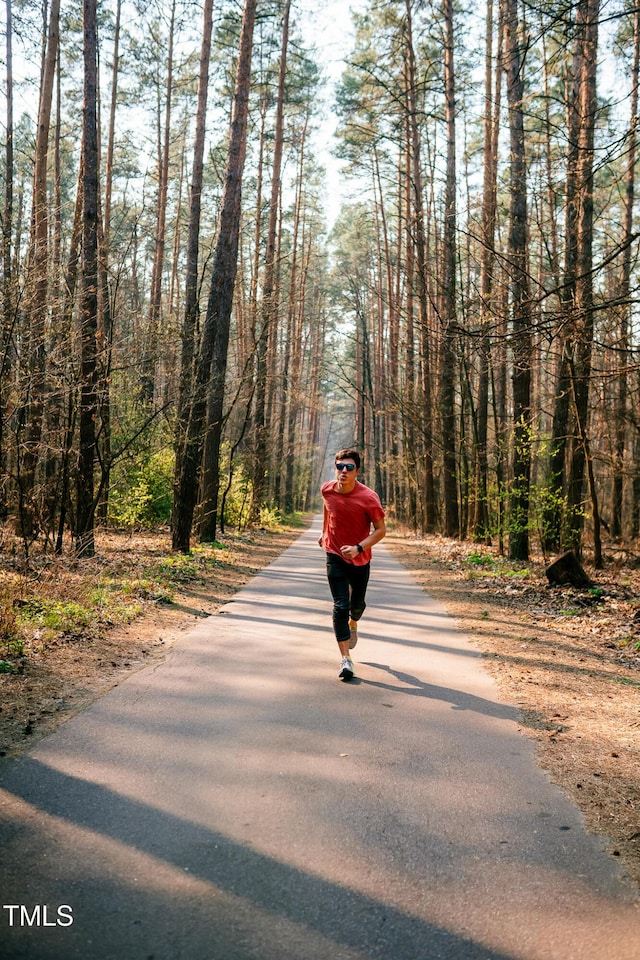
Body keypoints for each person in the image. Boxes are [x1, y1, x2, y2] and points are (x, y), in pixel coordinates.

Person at [318, 449, 386, 680]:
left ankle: (354, 622)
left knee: (356, 605)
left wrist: (358, 547)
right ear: (335, 468)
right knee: (340, 605)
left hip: (360, 558)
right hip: (334, 553)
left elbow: (381, 530)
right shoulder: (327, 489)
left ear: (357, 471)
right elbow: (328, 509)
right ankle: (345, 659)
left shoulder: (368, 497)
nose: (343, 471)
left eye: (348, 467)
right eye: (340, 467)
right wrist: (323, 533)